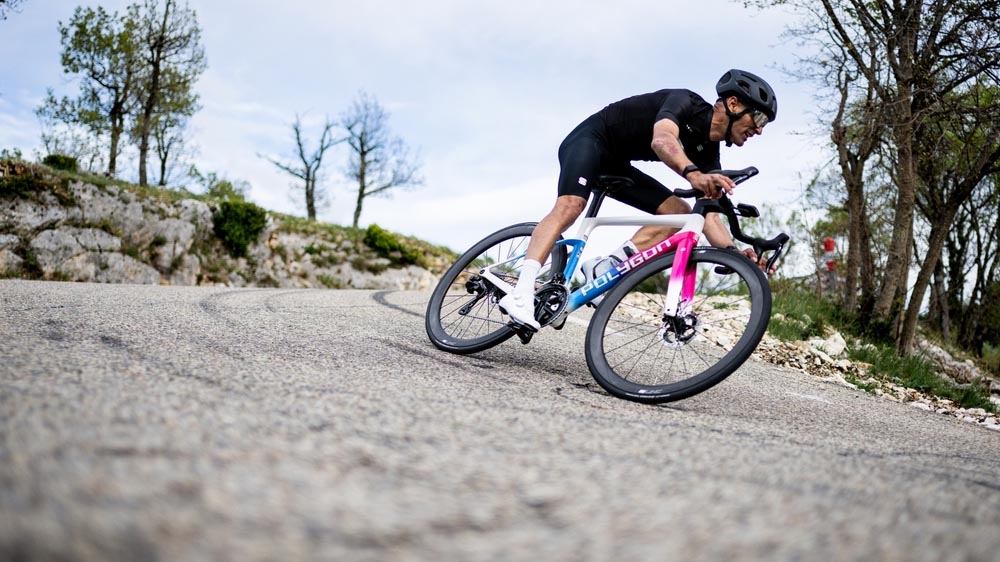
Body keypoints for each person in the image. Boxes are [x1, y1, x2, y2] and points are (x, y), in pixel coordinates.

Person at [499, 69, 778, 331]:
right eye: (759, 119)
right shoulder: (686, 102)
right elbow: (662, 140)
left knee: (678, 213)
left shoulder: (708, 153)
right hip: (591, 140)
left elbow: (709, 217)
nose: (760, 130)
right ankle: (522, 292)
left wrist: (736, 255)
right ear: (733, 103)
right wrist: (693, 174)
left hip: (616, 164)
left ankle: (606, 267)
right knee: (571, 205)